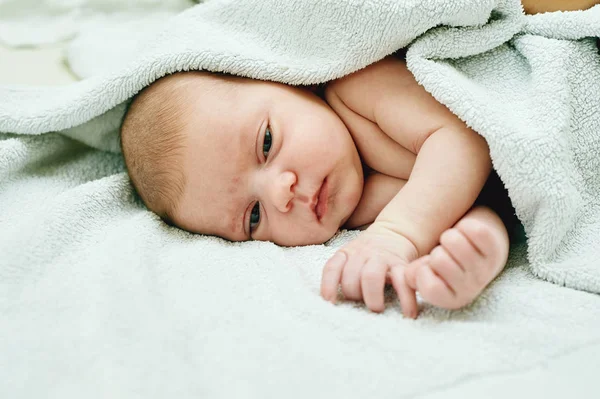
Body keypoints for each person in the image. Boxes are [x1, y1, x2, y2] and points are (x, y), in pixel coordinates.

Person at [120, 0, 589, 318]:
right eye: (254, 216)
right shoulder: (354, 209)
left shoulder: (355, 91)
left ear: (288, 82)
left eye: (265, 143)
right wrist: (472, 255)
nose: (281, 193)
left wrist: (398, 236)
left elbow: (465, 141)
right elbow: (489, 197)